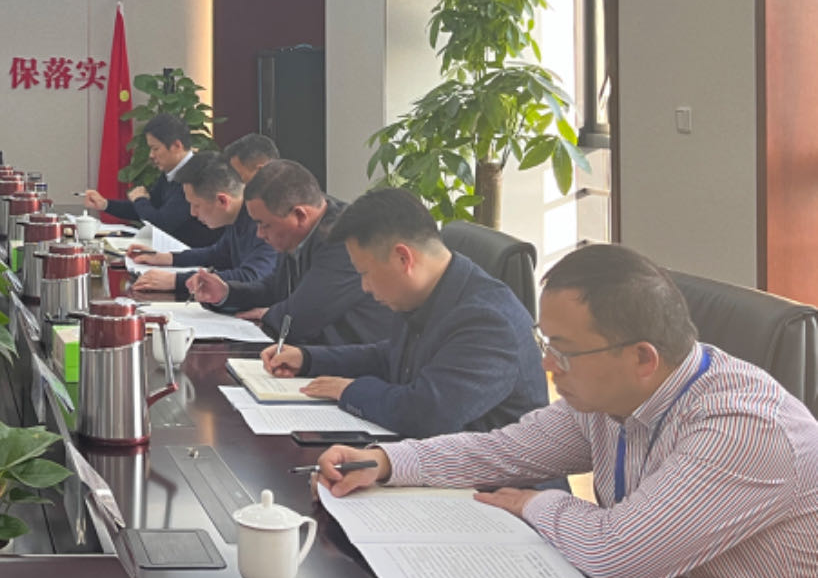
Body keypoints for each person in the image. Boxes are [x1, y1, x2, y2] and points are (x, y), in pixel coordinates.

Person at [316, 244, 818, 578]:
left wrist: (534, 504)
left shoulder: (743, 428)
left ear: (642, 358)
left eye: (565, 352)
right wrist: (385, 461)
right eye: (547, 343)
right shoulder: (611, 397)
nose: (547, 365)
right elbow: (503, 450)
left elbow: (619, 552)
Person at [261, 187, 546, 436]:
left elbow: (426, 414)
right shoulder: (427, 292)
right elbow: (390, 357)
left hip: (490, 480)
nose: (365, 287)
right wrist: (308, 359)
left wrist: (349, 391)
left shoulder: (488, 322)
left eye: (365, 273)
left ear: (403, 258)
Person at [190, 160, 396, 345]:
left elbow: (302, 317)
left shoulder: (343, 239)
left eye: (265, 225)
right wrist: (226, 292)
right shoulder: (297, 234)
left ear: (299, 215)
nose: (259, 234)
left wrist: (270, 314)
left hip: (355, 359)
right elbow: (274, 289)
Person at [125, 151, 277, 295]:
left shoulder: (263, 221)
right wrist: (167, 258)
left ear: (222, 201)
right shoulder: (237, 217)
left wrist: (177, 281)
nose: (192, 213)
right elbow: (217, 254)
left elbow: (252, 276)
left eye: (196, 205)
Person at [80, 113, 221, 247]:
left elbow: (160, 224)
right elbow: (148, 209)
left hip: (196, 256)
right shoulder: (170, 173)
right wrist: (105, 204)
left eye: (155, 149)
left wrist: (140, 200)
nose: (151, 155)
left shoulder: (194, 176)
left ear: (177, 146)